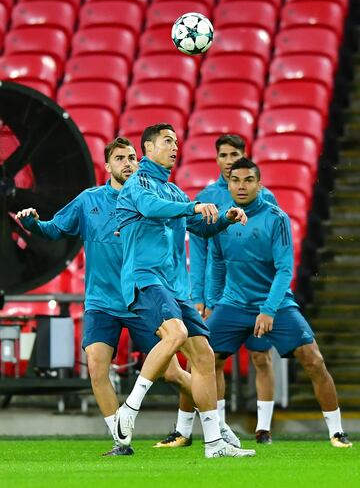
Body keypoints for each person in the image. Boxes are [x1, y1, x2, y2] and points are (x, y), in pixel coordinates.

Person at [15, 137, 195, 457]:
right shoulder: (88, 201)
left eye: (132, 158)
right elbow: (55, 229)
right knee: (97, 367)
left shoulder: (146, 197)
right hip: (101, 302)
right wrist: (33, 225)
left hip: (138, 296)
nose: (128, 163)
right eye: (121, 158)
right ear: (107, 166)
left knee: (172, 373)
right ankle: (121, 440)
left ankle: (205, 414)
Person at [114, 123, 256, 459]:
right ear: (148, 148)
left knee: (204, 356)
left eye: (176, 142)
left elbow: (199, 227)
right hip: (145, 279)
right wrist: (193, 207)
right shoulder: (137, 184)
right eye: (167, 141)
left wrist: (225, 219)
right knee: (175, 334)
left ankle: (214, 443)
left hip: (175, 287)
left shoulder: (175, 191)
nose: (175, 147)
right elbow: (151, 208)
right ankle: (129, 410)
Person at [206, 157, 352, 448]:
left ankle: (336, 432)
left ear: (260, 184)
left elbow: (285, 269)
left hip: (276, 304)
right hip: (233, 303)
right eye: (236, 181)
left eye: (249, 180)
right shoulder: (224, 219)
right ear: (228, 184)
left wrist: (268, 309)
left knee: (314, 359)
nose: (242, 186)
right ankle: (208, 430)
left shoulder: (276, 218)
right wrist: (212, 302)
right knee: (205, 358)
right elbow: (218, 264)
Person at [156, 134, 277, 448]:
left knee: (261, 357)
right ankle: (204, 428)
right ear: (216, 159)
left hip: (252, 293)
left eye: (233, 154)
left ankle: (263, 430)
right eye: (222, 155)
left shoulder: (266, 199)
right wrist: (199, 297)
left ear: (244, 156)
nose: (227, 160)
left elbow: (270, 249)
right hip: (217, 295)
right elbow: (199, 253)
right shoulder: (207, 197)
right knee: (207, 360)